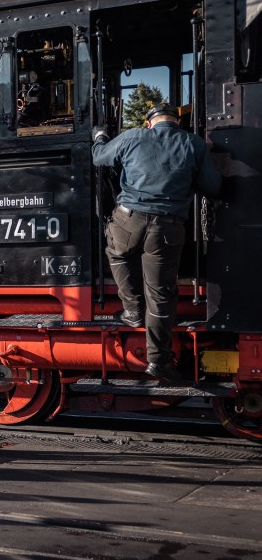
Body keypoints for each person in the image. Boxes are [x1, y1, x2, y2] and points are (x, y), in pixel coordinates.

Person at [92, 102, 222, 380]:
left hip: (129, 220)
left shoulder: (133, 136)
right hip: (167, 227)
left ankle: (132, 310)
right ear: (176, 122)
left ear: (149, 122)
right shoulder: (193, 143)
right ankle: (159, 361)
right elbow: (213, 187)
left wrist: (100, 136)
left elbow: (100, 157)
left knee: (116, 252)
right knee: (161, 295)